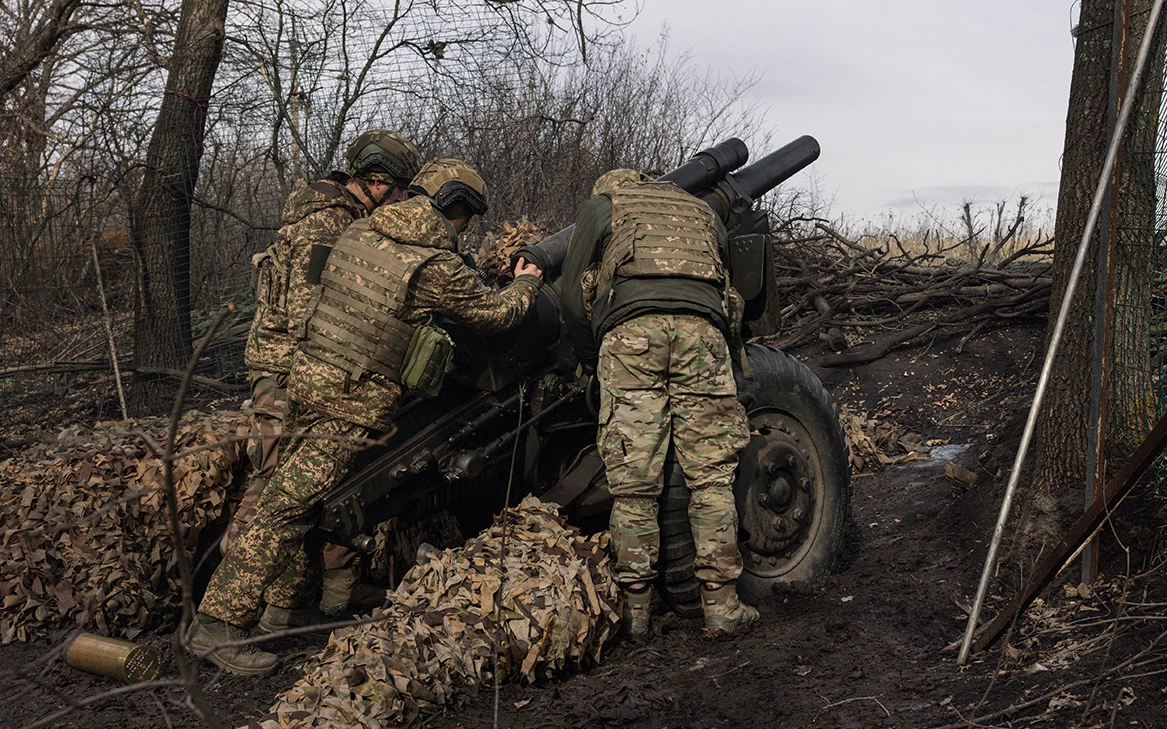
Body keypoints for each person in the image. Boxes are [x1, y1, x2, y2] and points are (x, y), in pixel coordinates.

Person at [189, 158, 544, 675]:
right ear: (452, 208)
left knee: (299, 504)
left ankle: (291, 608)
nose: (465, 229)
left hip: (305, 384)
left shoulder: (358, 232)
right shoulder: (431, 268)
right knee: (284, 511)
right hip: (349, 401)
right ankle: (217, 625)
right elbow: (497, 316)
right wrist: (527, 281)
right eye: (466, 218)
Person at [560, 168, 758, 637]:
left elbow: (571, 294)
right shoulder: (703, 210)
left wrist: (593, 355)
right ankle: (722, 607)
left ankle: (636, 613)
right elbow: (729, 290)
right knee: (711, 478)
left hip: (631, 338)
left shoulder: (606, 204)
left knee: (633, 484)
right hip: (702, 335)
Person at [233, 130, 423, 616]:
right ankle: (233, 604)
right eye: (398, 190)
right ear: (376, 183)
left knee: (327, 477)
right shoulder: (328, 226)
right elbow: (309, 314)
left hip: (306, 368)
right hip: (287, 369)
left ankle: (330, 590)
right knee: (275, 488)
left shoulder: (342, 216)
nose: (399, 201)